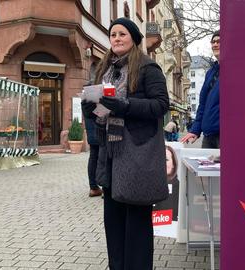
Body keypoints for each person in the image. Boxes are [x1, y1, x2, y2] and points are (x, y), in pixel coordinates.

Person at [81, 17, 169, 270]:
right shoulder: (105, 69)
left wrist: (126, 106)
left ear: (134, 38)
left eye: (122, 34)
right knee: (114, 217)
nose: (116, 38)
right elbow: (103, 110)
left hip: (137, 152)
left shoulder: (147, 68)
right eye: (113, 35)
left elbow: (161, 105)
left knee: (136, 218)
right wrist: (90, 109)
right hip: (110, 151)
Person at [181, 30, 220, 148]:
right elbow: (203, 104)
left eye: (219, 41)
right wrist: (195, 129)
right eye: (213, 42)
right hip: (209, 136)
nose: (215, 44)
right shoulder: (211, 72)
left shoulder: (237, 69)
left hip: (227, 134)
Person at [85, 117, 103, 197]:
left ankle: (93, 187)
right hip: (101, 130)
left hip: (92, 131)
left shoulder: (85, 103)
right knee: (104, 158)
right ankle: (105, 188)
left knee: (93, 157)